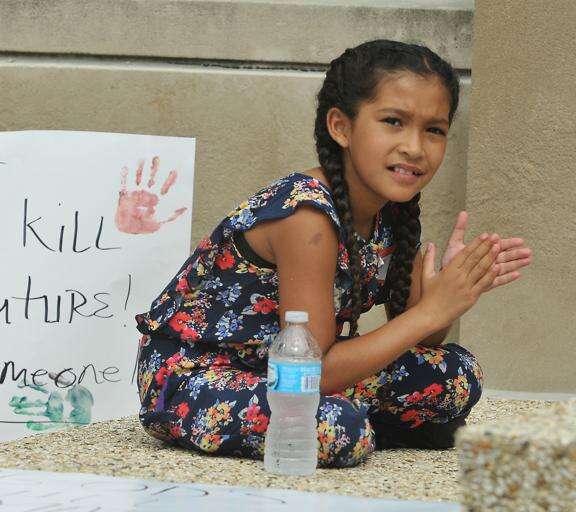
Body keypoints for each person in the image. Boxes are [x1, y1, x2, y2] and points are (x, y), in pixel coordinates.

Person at [133, 39, 533, 468]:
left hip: (285, 373)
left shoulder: (391, 212)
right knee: (334, 426)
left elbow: (418, 339)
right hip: (198, 376)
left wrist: (446, 298)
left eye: (434, 130)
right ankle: (366, 424)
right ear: (341, 127)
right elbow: (317, 369)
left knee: (457, 374)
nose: (415, 147)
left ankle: (367, 423)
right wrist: (430, 312)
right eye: (394, 122)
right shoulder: (306, 215)